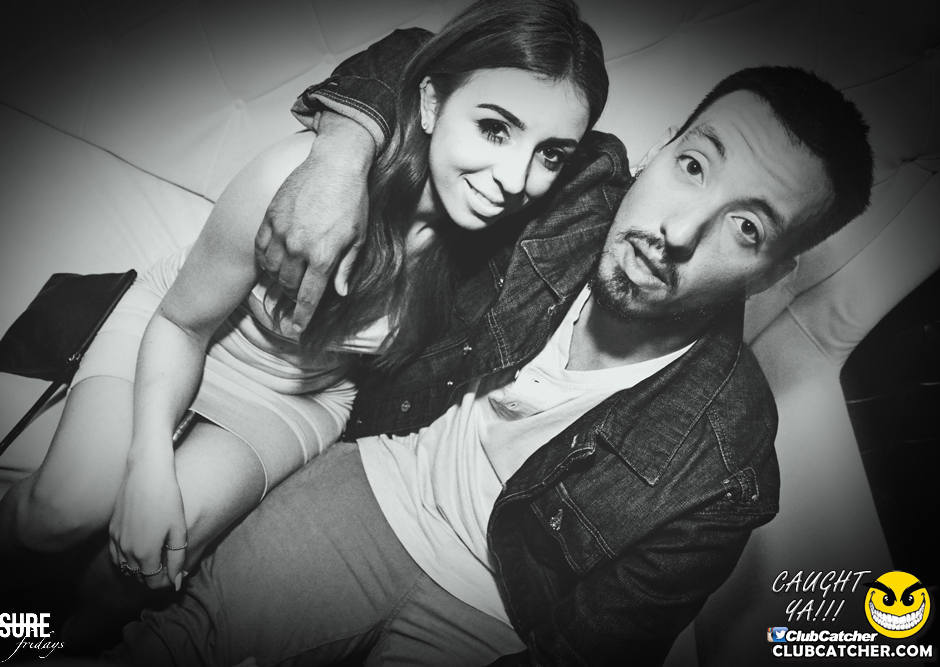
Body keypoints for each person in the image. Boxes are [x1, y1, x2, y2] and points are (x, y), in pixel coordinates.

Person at [105, 30, 874, 667]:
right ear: (662, 146)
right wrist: (340, 154)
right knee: (171, 647)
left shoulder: (727, 466)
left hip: (498, 618)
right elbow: (423, 61)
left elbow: (598, 649)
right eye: (695, 166)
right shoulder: (574, 179)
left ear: (774, 272)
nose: (676, 231)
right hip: (382, 482)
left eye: (748, 227)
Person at [0, 0, 608, 650]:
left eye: (550, 154)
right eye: (494, 129)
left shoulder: (504, 254)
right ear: (431, 104)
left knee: (152, 556)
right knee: (65, 506)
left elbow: (618, 197)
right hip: (193, 330)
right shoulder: (303, 179)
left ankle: (40, 647)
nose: (515, 178)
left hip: (302, 393)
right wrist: (149, 464)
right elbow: (181, 325)